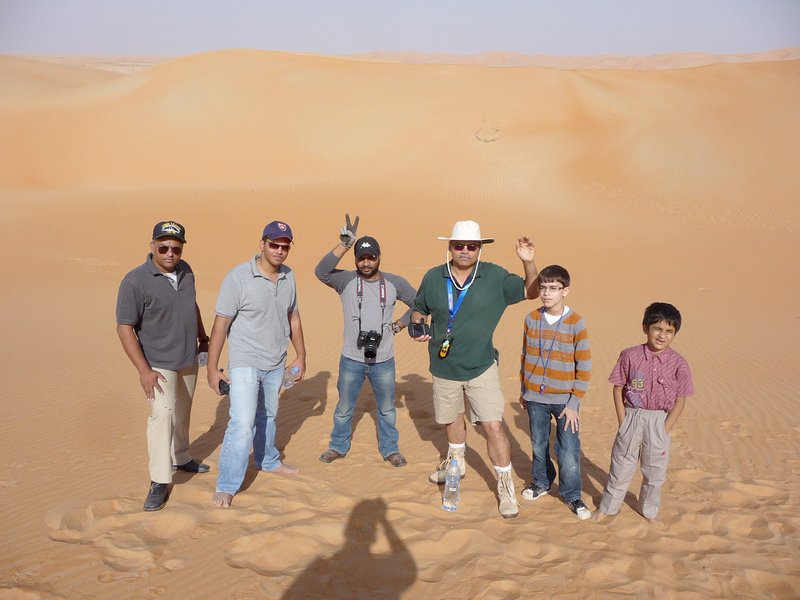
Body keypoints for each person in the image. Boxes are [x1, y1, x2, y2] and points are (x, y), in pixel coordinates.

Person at [410, 220, 539, 518]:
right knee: (452, 422)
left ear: (480, 248)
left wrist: (528, 262)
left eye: (471, 246)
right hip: (443, 367)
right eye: (459, 246)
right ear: (450, 247)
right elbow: (419, 307)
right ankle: (456, 465)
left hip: (481, 366)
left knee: (493, 427)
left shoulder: (494, 276)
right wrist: (417, 325)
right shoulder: (433, 277)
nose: (465, 251)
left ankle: (505, 486)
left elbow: (530, 292)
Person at [206, 220, 307, 509]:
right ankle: (227, 484)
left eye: (284, 246)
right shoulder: (237, 277)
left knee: (269, 416)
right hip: (245, 361)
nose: (279, 251)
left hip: (276, 361)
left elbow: (294, 317)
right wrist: (212, 368)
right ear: (261, 244)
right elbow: (221, 324)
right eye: (274, 244)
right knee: (241, 423)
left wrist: (300, 355)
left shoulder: (289, 277)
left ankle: (268, 460)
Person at [116, 221, 210, 512]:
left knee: (182, 413)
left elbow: (191, 306)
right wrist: (144, 371)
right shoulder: (135, 281)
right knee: (162, 417)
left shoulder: (187, 271)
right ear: (152, 245)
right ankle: (159, 480)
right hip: (158, 364)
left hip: (188, 359)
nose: (170, 253)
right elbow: (124, 328)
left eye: (176, 248)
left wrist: (203, 338)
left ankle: (181, 457)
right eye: (164, 247)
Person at [315, 214, 417, 467]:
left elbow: (420, 303)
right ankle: (338, 446)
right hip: (351, 358)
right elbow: (321, 271)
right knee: (344, 408)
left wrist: (400, 324)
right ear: (356, 259)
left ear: (379, 257)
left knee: (387, 410)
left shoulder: (394, 282)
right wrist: (344, 244)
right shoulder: (345, 280)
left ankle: (390, 449)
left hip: (384, 360)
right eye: (361, 257)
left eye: (371, 257)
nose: (366, 262)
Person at [592, 302, 694, 522]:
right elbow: (618, 388)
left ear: (675, 333)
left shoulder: (679, 364)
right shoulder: (629, 355)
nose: (662, 335)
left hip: (660, 420)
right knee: (621, 465)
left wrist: (665, 429)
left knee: (655, 470)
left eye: (669, 331)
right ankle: (608, 508)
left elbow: (681, 400)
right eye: (657, 328)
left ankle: (648, 510)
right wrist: (623, 420)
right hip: (632, 416)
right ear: (645, 327)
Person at [519, 265, 592, 520]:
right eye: (543, 287)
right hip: (535, 397)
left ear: (565, 291)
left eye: (553, 288)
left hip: (565, 401)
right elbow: (525, 356)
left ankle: (572, 495)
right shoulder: (531, 318)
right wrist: (523, 390)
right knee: (539, 444)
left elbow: (584, 365)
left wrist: (574, 403)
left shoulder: (576, 323)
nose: (547, 293)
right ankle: (541, 481)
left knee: (569, 449)